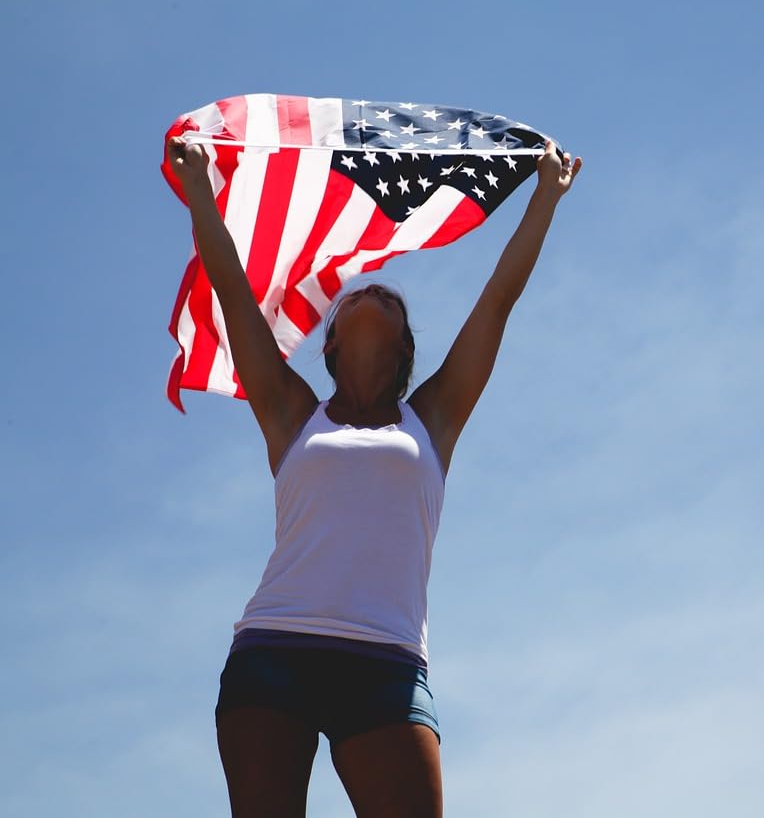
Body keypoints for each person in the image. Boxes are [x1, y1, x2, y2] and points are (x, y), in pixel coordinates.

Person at [165, 133, 582, 818]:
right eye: (361, 294)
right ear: (328, 342)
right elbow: (236, 298)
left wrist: (545, 196)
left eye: (392, 299)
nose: (378, 291)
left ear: (405, 345)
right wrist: (202, 194)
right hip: (275, 650)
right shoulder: (292, 412)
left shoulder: (434, 418)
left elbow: (498, 300)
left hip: (386, 663)